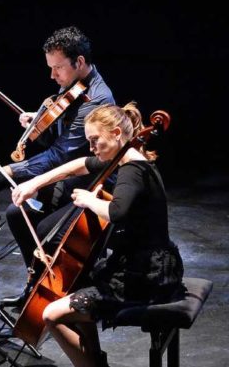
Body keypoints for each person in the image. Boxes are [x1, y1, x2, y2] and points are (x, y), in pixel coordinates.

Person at [11, 103, 184, 367]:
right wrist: (34, 182)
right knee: (79, 286)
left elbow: (117, 211)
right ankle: (93, 360)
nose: (91, 148)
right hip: (145, 263)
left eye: (95, 140)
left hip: (147, 275)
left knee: (51, 314)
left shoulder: (132, 170)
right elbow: (80, 164)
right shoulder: (126, 159)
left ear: (116, 133)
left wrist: (89, 200)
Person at [3, 26, 115, 306]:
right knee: (16, 213)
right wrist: (40, 124)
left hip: (90, 187)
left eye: (57, 68)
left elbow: (60, 155)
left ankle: (63, 294)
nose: (52, 75)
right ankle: (37, 284)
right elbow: (62, 142)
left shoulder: (95, 101)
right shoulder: (73, 88)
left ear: (78, 62)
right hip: (65, 180)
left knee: (44, 231)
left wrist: (12, 170)